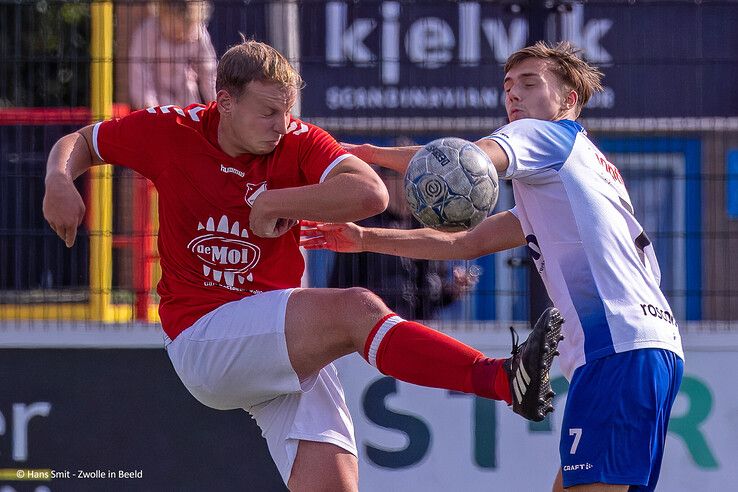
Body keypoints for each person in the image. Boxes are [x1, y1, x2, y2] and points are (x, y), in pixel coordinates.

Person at [42, 39, 563, 490]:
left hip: (281, 338)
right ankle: (500, 380)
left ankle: (502, 380)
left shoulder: (295, 139)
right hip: (204, 336)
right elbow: (81, 142)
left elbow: (369, 190)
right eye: (268, 112)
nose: (281, 125)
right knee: (357, 309)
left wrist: (277, 203)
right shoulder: (170, 131)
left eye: (286, 111)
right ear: (223, 102)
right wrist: (59, 181)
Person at [302, 41, 684, 492]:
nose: (514, 96)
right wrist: (366, 237)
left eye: (529, 83)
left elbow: (465, 162)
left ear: (569, 101)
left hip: (616, 350)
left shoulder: (545, 136)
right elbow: (467, 241)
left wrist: (365, 155)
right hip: (650, 350)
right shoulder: (574, 173)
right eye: (508, 87)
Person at [329, 165, 476, 319]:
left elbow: (432, 290)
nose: (416, 185)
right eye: (408, 178)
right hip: (377, 325)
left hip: (421, 326)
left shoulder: (426, 224)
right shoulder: (362, 227)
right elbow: (341, 284)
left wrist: (453, 290)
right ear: (385, 180)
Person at [128, 0, 216, 109]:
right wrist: (150, 109)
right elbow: (139, 76)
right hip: (157, 95)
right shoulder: (147, 32)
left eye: (185, 30)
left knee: (190, 90)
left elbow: (208, 73)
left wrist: (216, 106)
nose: (179, 35)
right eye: (173, 29)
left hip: (185, 94)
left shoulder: (198, 32)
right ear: (162, 14)